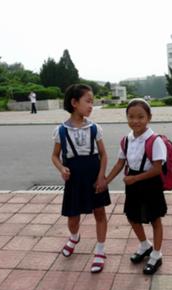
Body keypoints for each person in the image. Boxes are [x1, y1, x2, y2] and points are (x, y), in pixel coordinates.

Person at [51, 84, 111, 273]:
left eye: (92, 102)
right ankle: (74, 236)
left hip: (94, 175)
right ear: (74, 103)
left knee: (99, 213)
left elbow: (104, 154)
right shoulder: (60, 130)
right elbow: (54, 155)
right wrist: (61, 168)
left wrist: (102, 177)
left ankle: (100, 251)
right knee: (72, 215)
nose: (91, 105)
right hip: (74, 178)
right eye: (88, 101)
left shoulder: (95, 129)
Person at [106, 98, 167, 275]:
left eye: (140, 117)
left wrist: (136, 178)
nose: (135, 121)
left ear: (149, 118)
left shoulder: (155, 140)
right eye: (131, 116)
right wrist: (106, 181)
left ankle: (156, 254)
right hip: (132, 182)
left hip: (150, 183)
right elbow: (119, 163)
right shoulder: (126, 139)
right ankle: (144, 245)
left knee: (155, 219)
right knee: (132, 216)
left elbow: (157, 169)